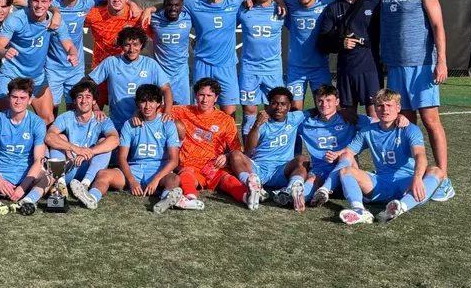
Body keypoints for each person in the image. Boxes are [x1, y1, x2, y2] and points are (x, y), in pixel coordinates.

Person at [380, 0, 453, 201]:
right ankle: (414, 175)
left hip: (421, 67)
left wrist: (441, 61)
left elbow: (438, 25)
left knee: (431, 122)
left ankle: (443, 177)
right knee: (407, 125)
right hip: (396, 68)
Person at [140, 0, 249, 118]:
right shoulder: (193, 4)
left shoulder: (235, 0)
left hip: (227, 65)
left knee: (229, 112)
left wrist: (254, 0)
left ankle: (227, 141)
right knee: (200, 110)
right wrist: (150, 9)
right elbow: (173, 3)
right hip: (202, 63)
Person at [335, 89, 446, 224]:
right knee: (345, 171)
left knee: (436, 171)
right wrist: (334, 154)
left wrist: (416, 179)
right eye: (380, 106)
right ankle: (359, 211)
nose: (384, 110)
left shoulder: (409, 129)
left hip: (407, 184)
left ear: (398, 108)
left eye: (389, 105)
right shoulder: (368, 131)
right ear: (375, 108)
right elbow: (349, 151)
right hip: (380, 183)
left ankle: (400, 208)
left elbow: (420, 155)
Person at [73, 84, 184, 213]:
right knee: (103, 174)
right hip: (134, 169)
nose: (147, 106)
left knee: (174, 178)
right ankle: (92, 197)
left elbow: (174, 160)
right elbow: (122, 157)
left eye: (151, 101)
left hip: (157, 169)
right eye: (143, 101)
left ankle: (165, 198)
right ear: (137, 104)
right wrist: (131, 181)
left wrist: (156, 179)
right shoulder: (129, 124)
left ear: (159, 103)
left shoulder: (168, 124)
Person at [0, 0, 78, 125]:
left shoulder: (55, 21)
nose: (39, 5)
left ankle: (40, 148)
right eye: (35, 1)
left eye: (44, 1)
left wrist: (73, 54)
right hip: (11, 75)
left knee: (48, 120)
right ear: (29, 1)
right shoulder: (16, 19)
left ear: (50, 3)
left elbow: (69, 45)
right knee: (7, 120)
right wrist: (4, 51)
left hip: (37, 78)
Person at [0, 78, 51, 216]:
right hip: (1, 176)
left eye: (23, 98)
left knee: (48, 176)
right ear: (8, 97)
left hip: (27, 177)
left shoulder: (37, 123)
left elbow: (38, 160)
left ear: (29, 100)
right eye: (14, 97)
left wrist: (23, 187)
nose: (18, 101)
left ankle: (28, 201)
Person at [169, 78, 249, 210]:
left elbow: (237, 149)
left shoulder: (226, 120)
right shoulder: (183, 111)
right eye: (201, 95)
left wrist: (227, 157)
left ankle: (247, 197)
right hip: (190, 164)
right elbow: (155, 110)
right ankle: (190, 198)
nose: (204, 100)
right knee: (185, 176)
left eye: (209, 96)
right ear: (195, 96)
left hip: (214, 166)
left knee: (228, 181)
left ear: (216, 98)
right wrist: (138, 113)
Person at [317, 0, 382, 118]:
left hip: (370, 67)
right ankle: (348, 145)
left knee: (374, 115)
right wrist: (341, 42)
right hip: (346, 69)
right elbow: (322, 42)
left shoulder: (374, 2)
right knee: (347, 116)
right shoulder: (333, 8)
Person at [229, 87, 311, 211]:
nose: (278, 107)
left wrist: (340, 111)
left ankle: (290, 191)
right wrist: (257, 125)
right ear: (268, 105)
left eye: (283, 104)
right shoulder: (262, 122)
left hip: (282, 170)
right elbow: (249, 147)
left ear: (289, 107)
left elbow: (315, 111)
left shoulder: (294, 118)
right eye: (275, 103)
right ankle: (252, 185)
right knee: (235, 154)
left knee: (303, 159)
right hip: (259, 170)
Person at [87, 27, 173, 133]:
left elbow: (166, 89)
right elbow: (88, 84)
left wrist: (167, 111)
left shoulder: (150, 64)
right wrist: (95, 108)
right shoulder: (111, 62)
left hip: (144, 121)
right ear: (121, 45)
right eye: (127, 45)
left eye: (135, 44)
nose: (132, 49)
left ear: (141, 45)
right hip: (117, 123)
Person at [44, 79, 119, 200]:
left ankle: (85, 184)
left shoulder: (101, 118)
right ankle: (60, 183)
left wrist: (88, 152)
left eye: (88, 97)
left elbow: (115, 140)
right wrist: (75, 148)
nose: (84, 101)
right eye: (80, 97)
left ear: (94, 101)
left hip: (90, 169)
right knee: (60, 138)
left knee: (104, 142)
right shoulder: (67, 117)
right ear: (74, 100)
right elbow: (49, 137)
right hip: (69, 167)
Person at [45, 0, 104, 109]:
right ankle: (52, 131)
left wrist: (133, 5)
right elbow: (23, 0)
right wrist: (56, 11)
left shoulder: (86, 2)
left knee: (75, 105)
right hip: (53, 65)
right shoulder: (51, 2)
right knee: (52, 107)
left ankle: (71, 131)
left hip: (75, 66)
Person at [237, 0, 286, 136]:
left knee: (274, 113)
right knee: (249, 115)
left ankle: (270, 154)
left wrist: (279, 0)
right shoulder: (244, 8)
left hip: (273, 70)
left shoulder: (281, 9)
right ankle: (249, 155)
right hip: (249, 70)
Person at [283, 0, 340, 111]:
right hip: (296, 68)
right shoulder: (289, 1)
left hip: (319, 67)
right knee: (294, 111)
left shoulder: (328, 2)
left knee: (326, 109)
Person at [84, 0, 141, 107]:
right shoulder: (94, 15)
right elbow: (72, 23)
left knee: (125, 112)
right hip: (99, 72)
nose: (117, 0)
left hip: (125, 72)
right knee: (93, 113)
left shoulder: (136, 15)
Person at [146, 0, 193, 107]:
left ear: (182, 5)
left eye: (177, 5)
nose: (173, 9)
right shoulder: (153, 18)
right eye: (169, 5)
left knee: (183, 112)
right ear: (164, 4)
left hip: (181, 75)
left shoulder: (189, 17)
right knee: (160, 112)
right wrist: (148, 9)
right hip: (160, 74)